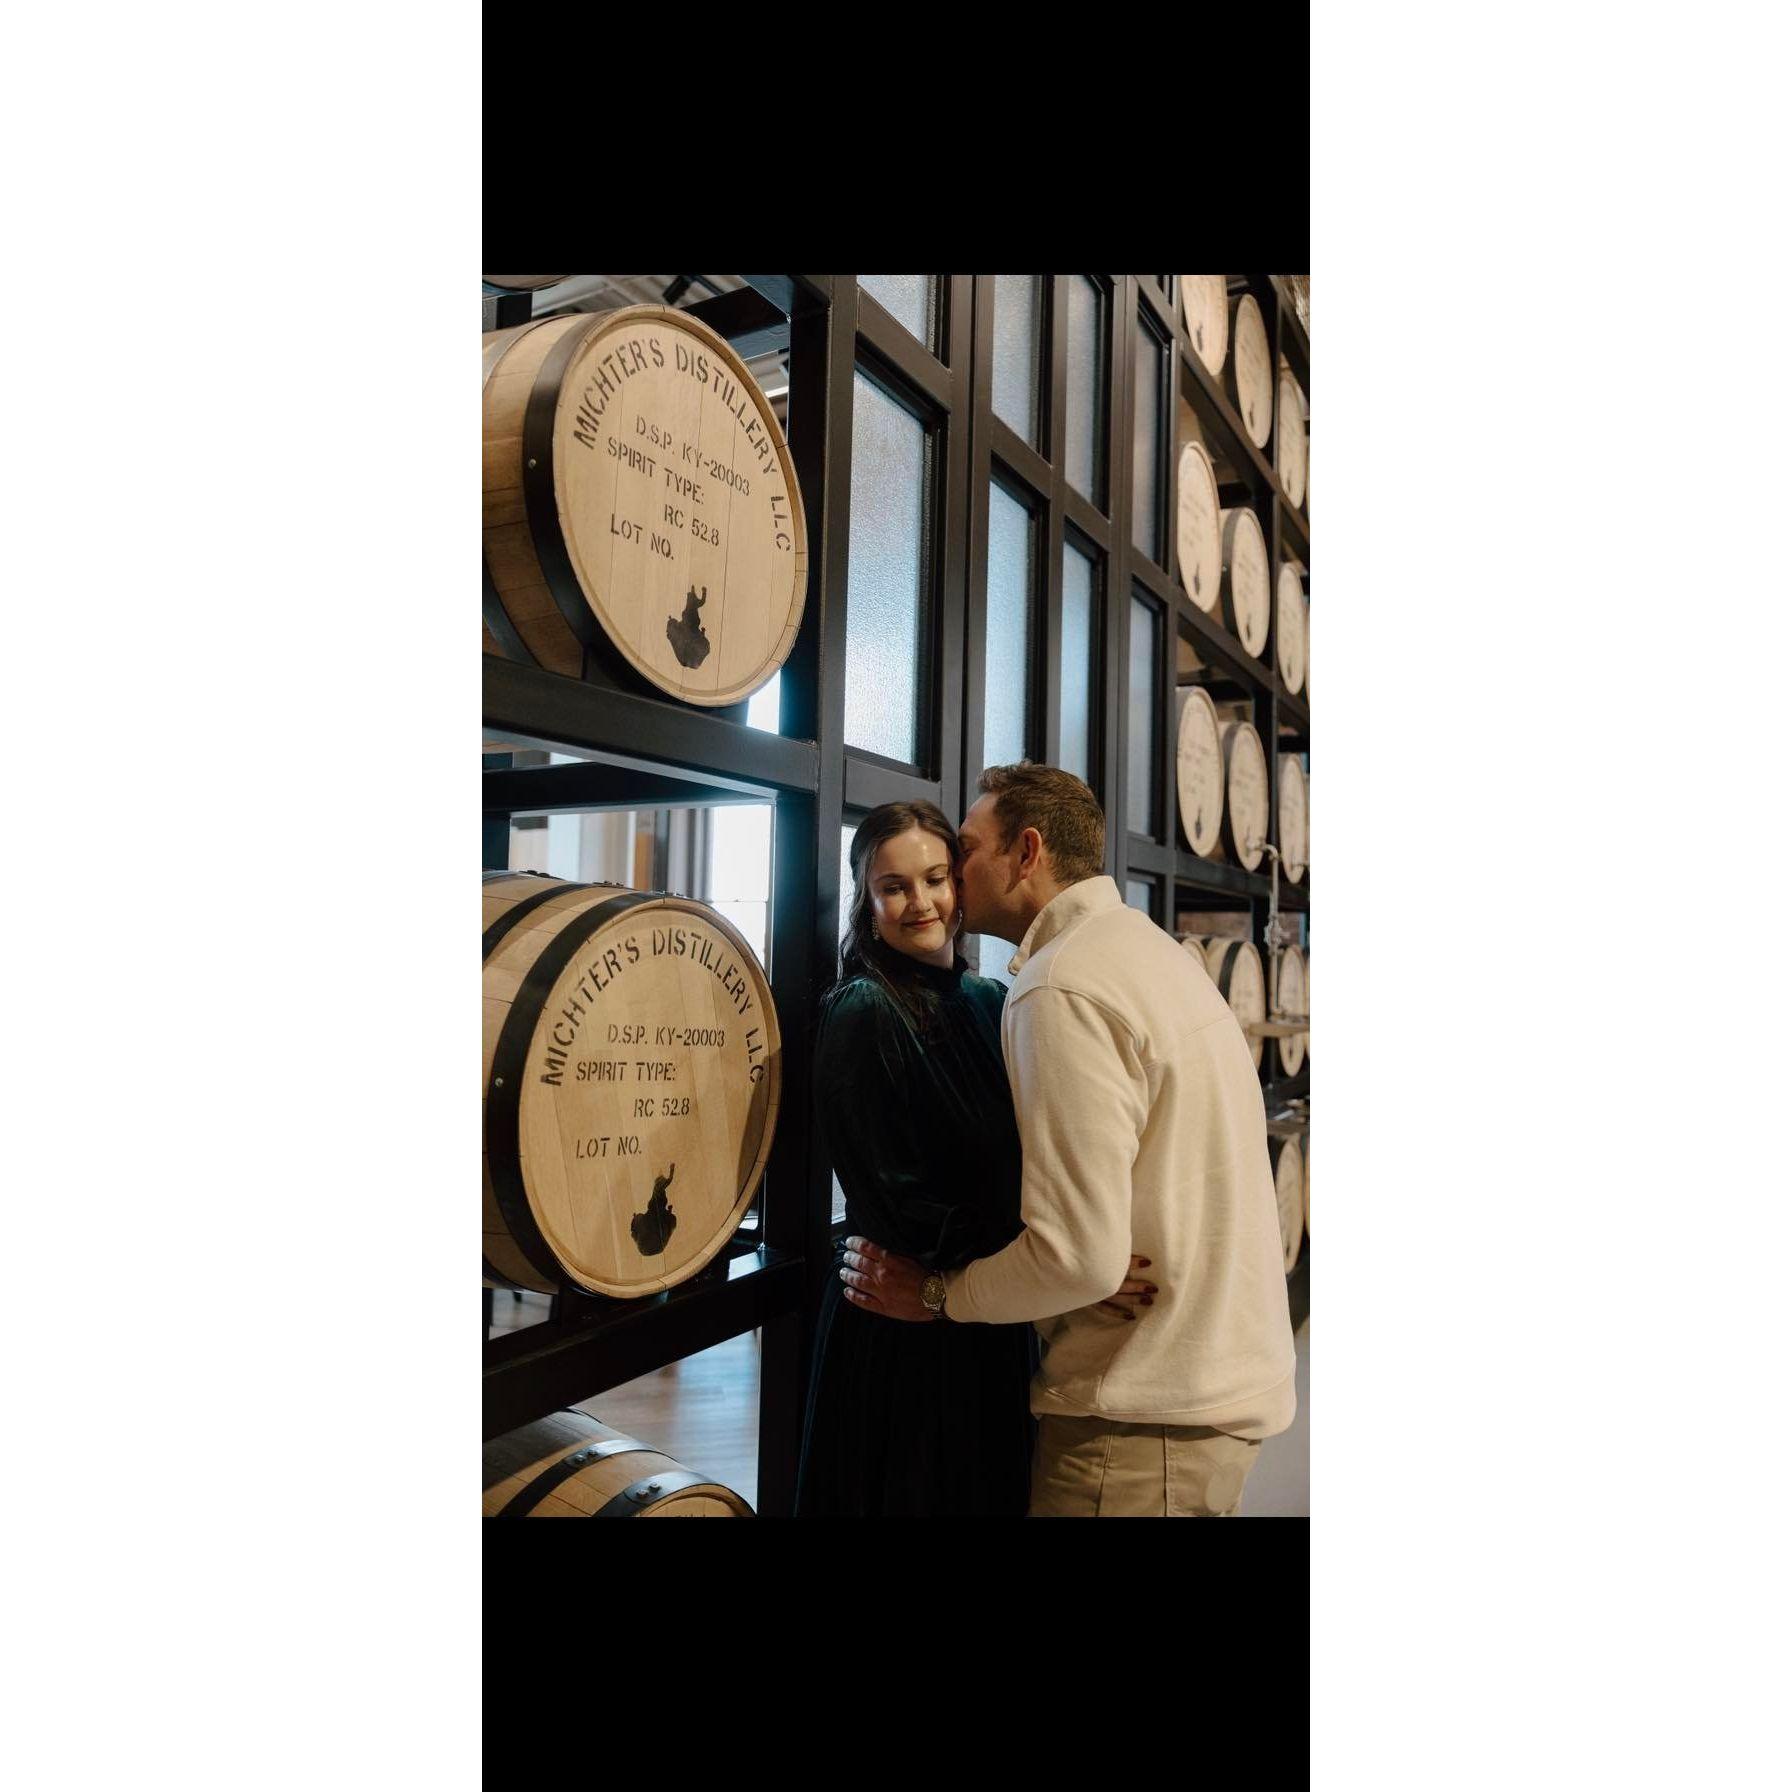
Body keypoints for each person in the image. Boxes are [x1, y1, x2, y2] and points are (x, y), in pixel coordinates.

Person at [839, 763, 1297, 1517]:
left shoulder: (1061, 984)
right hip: (1192, 1384)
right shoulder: (1141, 949)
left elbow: (1077, 1256)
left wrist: (942, 1291)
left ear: (1026, 852)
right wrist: (1077, 1265)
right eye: (895, 885)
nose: (950, 879)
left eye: (963, 854)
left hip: (1145, 1404)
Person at [793, 799, 1151, 1517]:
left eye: (935, 879)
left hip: (985, 1312)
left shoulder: (995, 999)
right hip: (904, 1323)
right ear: (868, 902)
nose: (920, 902)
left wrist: (1064, 1262)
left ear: (959, 883)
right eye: (894, 887)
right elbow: (897, 1200)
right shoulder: (862, 1009)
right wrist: (1067, 1268)